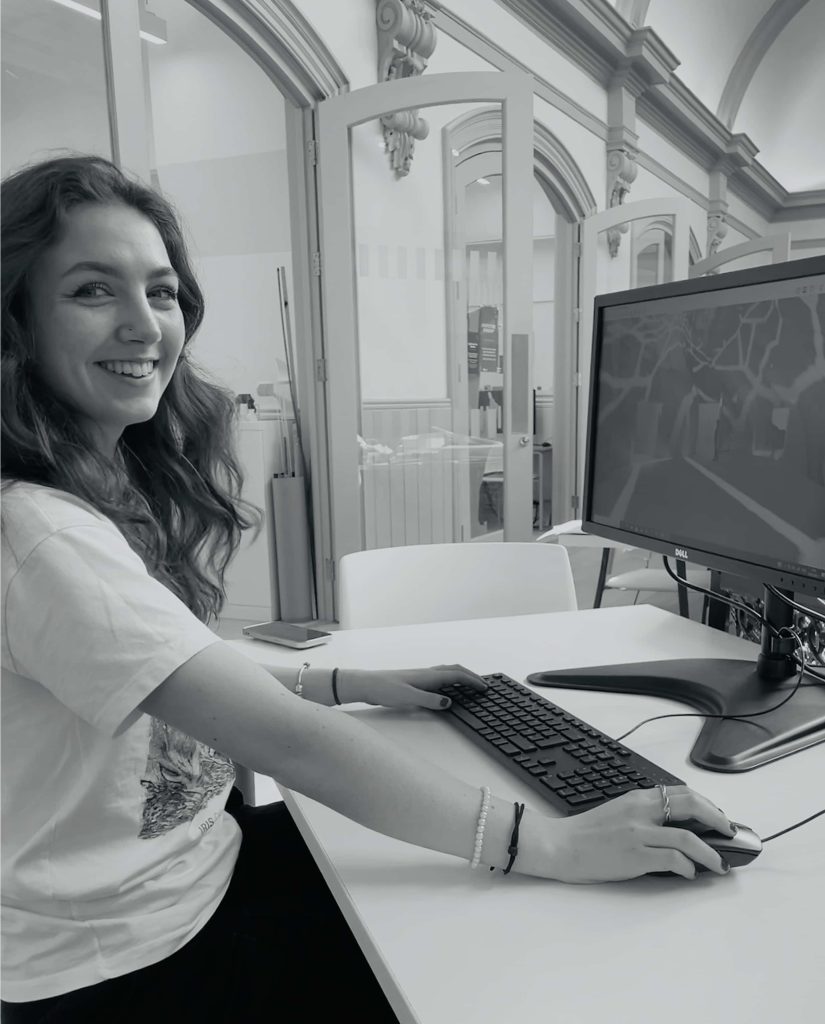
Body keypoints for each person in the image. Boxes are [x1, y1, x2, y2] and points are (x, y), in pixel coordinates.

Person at [0, 155, 736, 1023]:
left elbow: (175, 674)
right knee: (514, 953)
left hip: (187, 881)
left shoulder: (84, 491)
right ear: (16, 324)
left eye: (161, 292)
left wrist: (346, 681)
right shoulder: (39, 534)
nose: (144, 326)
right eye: (92, 291)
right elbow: (289, 744)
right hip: (132, 962)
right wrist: (547, 841)